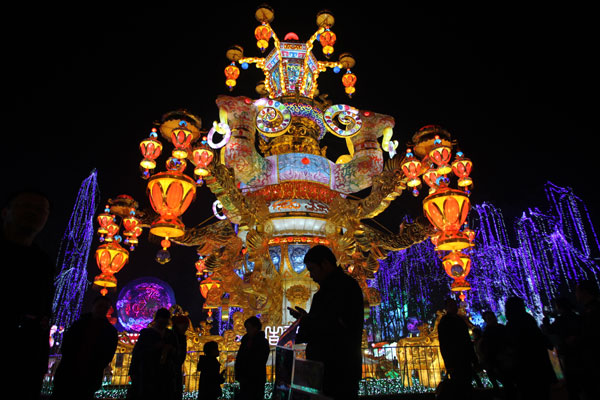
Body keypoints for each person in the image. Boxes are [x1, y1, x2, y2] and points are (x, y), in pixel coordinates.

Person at [289, 245, 364, 400]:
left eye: (312, 269)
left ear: (324, 264)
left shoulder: (345, 288)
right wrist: (305, 320)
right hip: (324, 369)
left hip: (339, 369)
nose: (310, 275)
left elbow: (335, 327)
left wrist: (308, 321)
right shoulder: (324, 291)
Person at [3, 190, 54, 400]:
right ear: (5, 212)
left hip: (27, 361)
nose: (34, 213)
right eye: (26, 207)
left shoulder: (43, 262)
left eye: (41, 210)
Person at [51, 295, 119, 400]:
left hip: (89, 375)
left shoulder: (110, 331)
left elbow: (108, 353)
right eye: (100, 306)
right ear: (94, 306)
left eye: (106, 307)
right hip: (68, 372)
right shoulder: (79, 324)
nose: (102, 309)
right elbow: (67, 343)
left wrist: (96, 365)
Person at [504, 296, 556, 400]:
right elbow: (539, 338)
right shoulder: (528, 319)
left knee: (529, 392)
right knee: (543, 392)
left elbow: (511, 344)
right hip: (539, 363)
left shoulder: (512, 324)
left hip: (524, 366)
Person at [127, 308, 177, 400]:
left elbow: (176, 352)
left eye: (166, 320)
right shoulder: (147, 333)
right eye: (162, 319)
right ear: (157, 319)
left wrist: (171, 349)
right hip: (148, 371)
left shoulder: (170, 334)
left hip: (165, 373)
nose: (164, 322)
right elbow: (138, 353)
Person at [542, 297, 582, 400]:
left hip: (568, 352)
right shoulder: (577, 317)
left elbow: (550, 330)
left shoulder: (562, 319)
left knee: (572, 380)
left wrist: (546, 320)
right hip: (580, 351)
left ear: (560, 306)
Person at [436, 297, 477, 400]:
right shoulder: (445, 322)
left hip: (465, 358)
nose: (454, 307)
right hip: (454, 359)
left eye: (454, 305)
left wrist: (473, 358)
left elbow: (467, 340)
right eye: (450, 305)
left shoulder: (460, 320)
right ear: (446, 308)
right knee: (459, 385)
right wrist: (448, 363)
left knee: (466, 383)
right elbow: (444, 344)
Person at [480, 310, 515, 399]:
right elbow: (488, 350)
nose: (492, 319)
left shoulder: (502, 328)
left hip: (508, 359)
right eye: (488, 318)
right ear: (486, 321)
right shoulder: (487, 334)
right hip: (498, 362)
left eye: (492, 317)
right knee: (508, 385)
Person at [575, 280, 600, 400]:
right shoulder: (588, 310)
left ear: (584, 292)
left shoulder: (593, 311)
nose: (576, 294)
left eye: (577, 291)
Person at [234, 316, 270, 400]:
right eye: (246, 328)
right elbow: (240, 358)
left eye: (248, 328)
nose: (247, 330)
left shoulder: (262, 342)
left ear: (255, 328)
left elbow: (261, 360)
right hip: (244, 378)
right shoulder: (245, 341)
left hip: (256, 378)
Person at [171, 315, 190, 400]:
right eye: (185, 325)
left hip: (177, 369)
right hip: (170, 369)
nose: (186, 328)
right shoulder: (171, 336)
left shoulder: (182, 336)